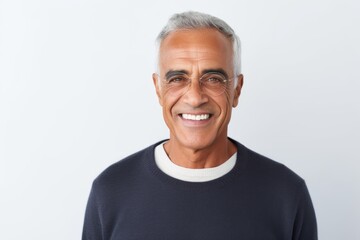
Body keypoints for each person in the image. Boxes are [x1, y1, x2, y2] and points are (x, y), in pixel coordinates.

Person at [82, 11, 317, 240]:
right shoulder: (110, 192)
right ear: (158, 89)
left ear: (237, 89)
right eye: (177, 79)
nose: (195, 98)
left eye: (214, 79)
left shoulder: (286, 195)